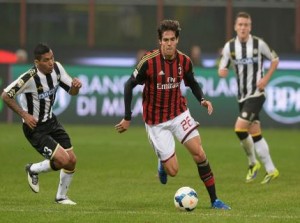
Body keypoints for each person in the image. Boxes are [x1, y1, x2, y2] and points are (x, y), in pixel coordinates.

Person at [115, 19, 231, 210]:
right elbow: (129, 85)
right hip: (156, 122)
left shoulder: (184, 61)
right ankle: (162, 162)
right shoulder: (148, 62)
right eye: (165, 40)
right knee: (173, 171)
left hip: (179, 113)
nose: (169, 43)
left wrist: (202, 100)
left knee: (199, 154)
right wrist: (127, 117)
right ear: (160, 41)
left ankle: (215, 200)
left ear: (177, 40)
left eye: (172, 39)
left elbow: (192, 82)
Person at [1, 43, 82, 204]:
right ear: (37, 62)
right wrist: (24, 114)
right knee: (62, 160)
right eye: (46, 60)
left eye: (52, 58)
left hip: (51, 121)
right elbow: (5, 95)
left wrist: (76, 87)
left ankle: (61, 197)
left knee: (71, 160)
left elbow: (71, 92)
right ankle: (32, 169)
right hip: (35, 128)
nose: (51, 62)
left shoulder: (57, 69)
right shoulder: (29, 77)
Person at [218, 12, 279, 184]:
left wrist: (265, 79)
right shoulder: (229, 47)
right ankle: (271, 170)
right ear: (235, 27)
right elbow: (222, 66)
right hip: (242, 97)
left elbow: (275, 60)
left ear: (250, 27)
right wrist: (221, 71)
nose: (243, 27)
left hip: (256, 94)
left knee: (239, 129)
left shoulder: (259, 44)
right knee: (255, 133)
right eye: (241, 25)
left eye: (246, 24)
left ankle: (253, 163)